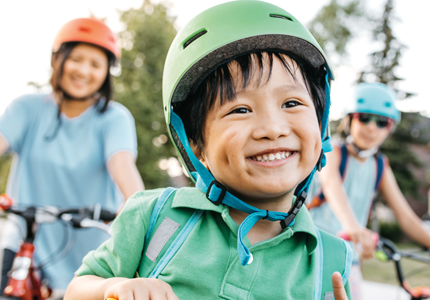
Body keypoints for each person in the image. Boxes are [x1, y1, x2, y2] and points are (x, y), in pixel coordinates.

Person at [65, 1, 355, 299]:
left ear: (321, 124)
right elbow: (77, 289)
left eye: (291, 103)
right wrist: (112, 288)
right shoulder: (155, 216)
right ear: (194, 144)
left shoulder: (331, 261)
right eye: (241, 109)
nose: (272, 128)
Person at [0, 18, 144, 293]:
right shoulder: (27, 108)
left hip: (90, 253)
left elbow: (122, 165)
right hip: (25, 240)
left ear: (106, 73)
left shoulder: (114, 118)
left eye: (95, 64)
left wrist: (134, 204)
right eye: (76, 59)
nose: (83, 70)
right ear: (57, 60)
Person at [307, 82, 430, 299]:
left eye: (382, 122)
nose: (372, 127)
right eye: (364, 118)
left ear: (390, 127)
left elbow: (406, 217)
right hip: (311, 252)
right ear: (350, 119)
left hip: (347, 258)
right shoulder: (334, 151)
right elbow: (331, 186)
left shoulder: (379, 166)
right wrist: (353, 227)